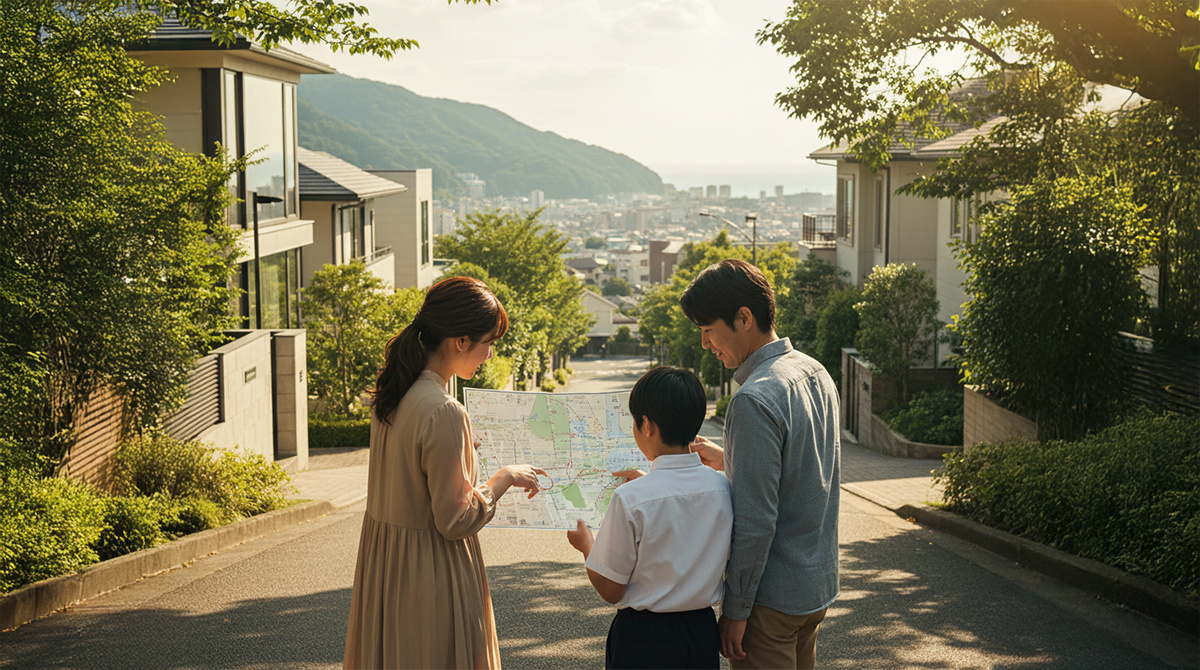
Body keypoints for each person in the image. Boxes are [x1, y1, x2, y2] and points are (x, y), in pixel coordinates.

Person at [344, 276, 547, 670]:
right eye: (489, 342)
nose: (490, 354)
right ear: (460, 341)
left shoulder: (394, 394)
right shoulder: (444, 409)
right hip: (432, 575)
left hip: (385, 572)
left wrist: (462, 455)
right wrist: (503, 478)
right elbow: (455, 520)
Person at [680, 259, 840, 670]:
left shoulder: (754, 399)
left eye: (708, 329)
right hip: (815, 588)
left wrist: (736, 611)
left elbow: (756, 521)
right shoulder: (815, 372)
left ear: (744, 318)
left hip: (770, 602)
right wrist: (729, 460)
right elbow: (806, 472)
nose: (704, 343)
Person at [566, 366, 733, 670]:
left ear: (646, 425)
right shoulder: (723, 488)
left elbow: (610, 589)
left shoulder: (630, 498)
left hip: (643, 639)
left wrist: (586, 545)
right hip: (702, 633)